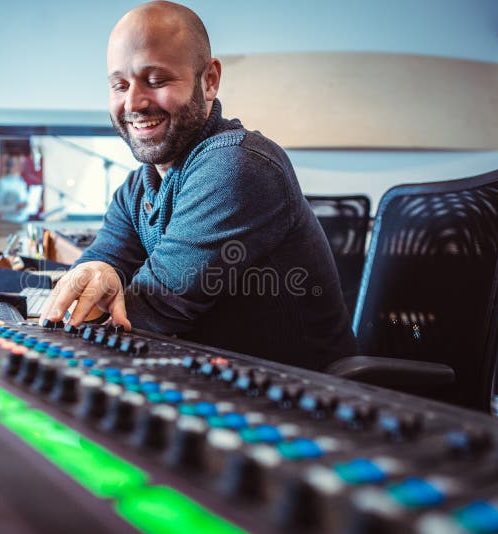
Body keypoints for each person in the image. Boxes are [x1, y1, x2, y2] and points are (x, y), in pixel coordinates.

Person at [41, 1, 356, 370]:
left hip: (301, 401)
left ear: (209, 80)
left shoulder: (239, 166)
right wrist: (98, 273)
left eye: (156, 81)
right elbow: (91, 282)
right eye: (119, 85)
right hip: (210, 385)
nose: (134, 102)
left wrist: (99, 302)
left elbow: (150, 311)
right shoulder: (136, 189)